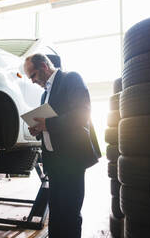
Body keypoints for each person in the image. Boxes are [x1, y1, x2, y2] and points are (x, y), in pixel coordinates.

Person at [24, 54, 100, 238]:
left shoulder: (70, 79)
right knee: (56, 212)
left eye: (33, 75)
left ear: (44, 66)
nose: (33, 81)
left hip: (71, 159)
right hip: (54, 162)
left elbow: (82, 114)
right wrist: (39, 129)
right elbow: (51, 124)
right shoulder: (44, 95)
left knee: (70, 212)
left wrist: (47, 125)